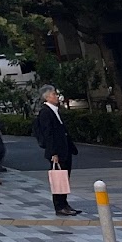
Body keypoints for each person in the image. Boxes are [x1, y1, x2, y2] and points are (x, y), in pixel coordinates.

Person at [32, 84, 81, 217]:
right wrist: (53, 152)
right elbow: (48, 134)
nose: (56, 96)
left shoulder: (55, 110)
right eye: (54, 94)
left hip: (65, 149)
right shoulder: (46, 112)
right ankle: (59, 206)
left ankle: (64, 203)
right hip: (57, 152)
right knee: (58, 179)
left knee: (64, 178)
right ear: (47, 97)